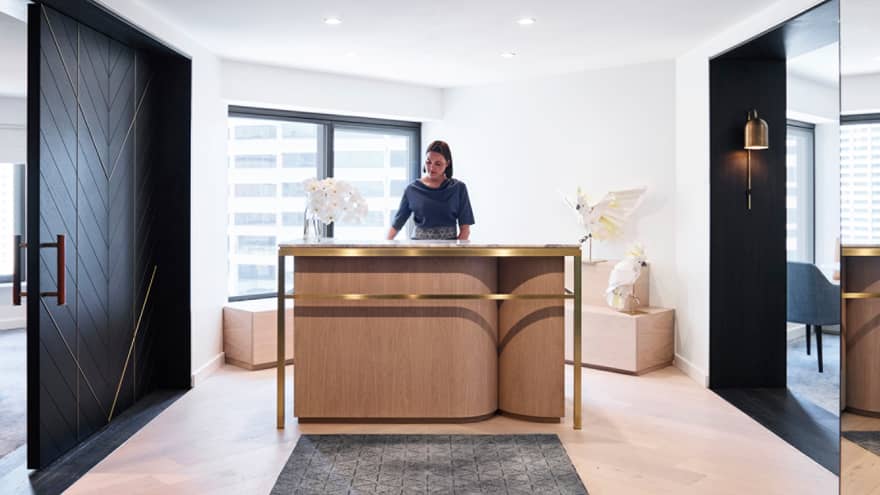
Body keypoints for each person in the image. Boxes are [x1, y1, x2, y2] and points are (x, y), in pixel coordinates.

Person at [387, 140, 474, 240]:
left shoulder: (459, 188)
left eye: (438, 164)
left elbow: (465, 230)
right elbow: (397, 224)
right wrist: (381, 250)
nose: (431, 168)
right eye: (428, 162)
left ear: (447, 164)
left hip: (449, 251)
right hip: (418, 251)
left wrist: (455, 253)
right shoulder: (411, 189)